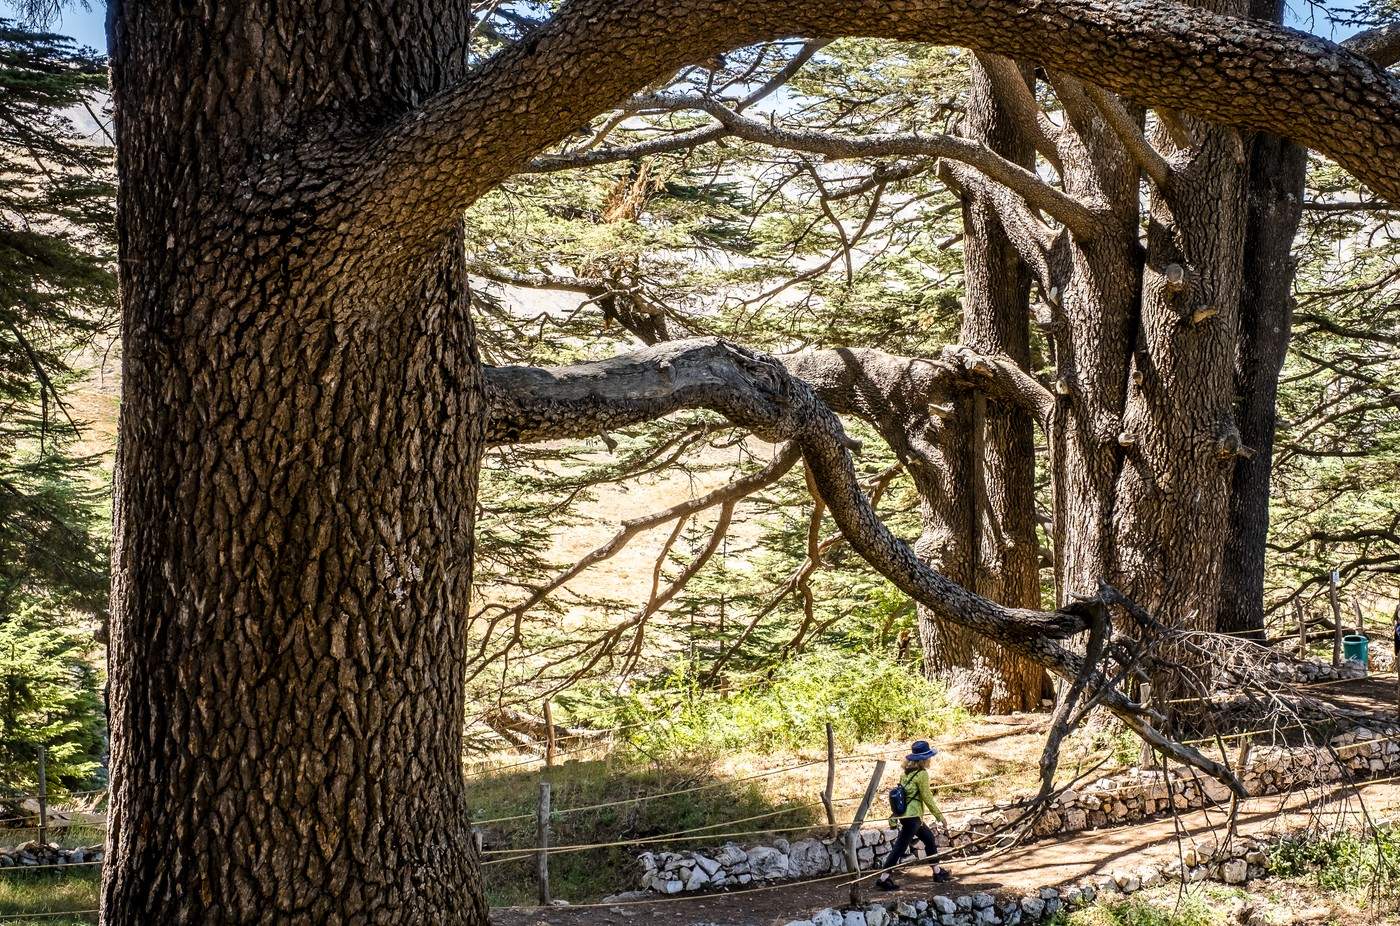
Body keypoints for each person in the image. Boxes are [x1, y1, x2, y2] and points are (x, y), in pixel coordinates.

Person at [875, 740, 951, 890]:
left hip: (907, 817)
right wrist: (940, 817)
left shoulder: (905, 774)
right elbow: (927, 797)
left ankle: (937, 871)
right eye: (928, 757)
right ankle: (884, 878)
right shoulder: (922, 774)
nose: (930, 760)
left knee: (929, 839)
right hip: (913, 818)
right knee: (899, 847)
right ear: (924, 759)